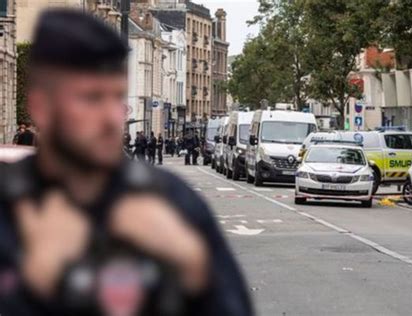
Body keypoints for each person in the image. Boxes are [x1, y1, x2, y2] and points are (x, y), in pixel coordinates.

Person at [0, 9, 252, 316]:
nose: (111, 118)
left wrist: (194, 265)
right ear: (41, 106)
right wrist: (38, 281)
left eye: (117, 97)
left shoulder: (168, 199)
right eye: (91, 98)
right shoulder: (11, 208)